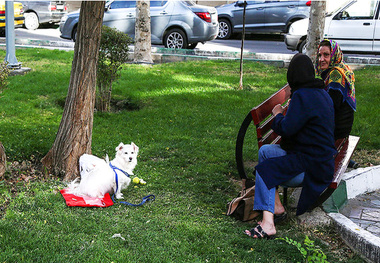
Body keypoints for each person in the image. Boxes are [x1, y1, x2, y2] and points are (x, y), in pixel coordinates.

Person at [244, 53, 336, 239]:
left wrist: (278, 113)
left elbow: (286, 129)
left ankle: (268, 225)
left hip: (311, 168)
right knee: (266, 152)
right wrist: (291, 111)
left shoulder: (302, 95)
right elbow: (300, 127)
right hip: (320, 161)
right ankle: (277, 208)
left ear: (293, 76)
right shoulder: (320, 92)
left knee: (264, 170)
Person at [316, 39, 357, 168]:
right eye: (320, 55)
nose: (321, 59)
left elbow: (330, 107)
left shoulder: (335, 75)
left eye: (326, 55)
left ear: (334, 55)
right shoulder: (342, 67)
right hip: (344, 126)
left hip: (337, 129)